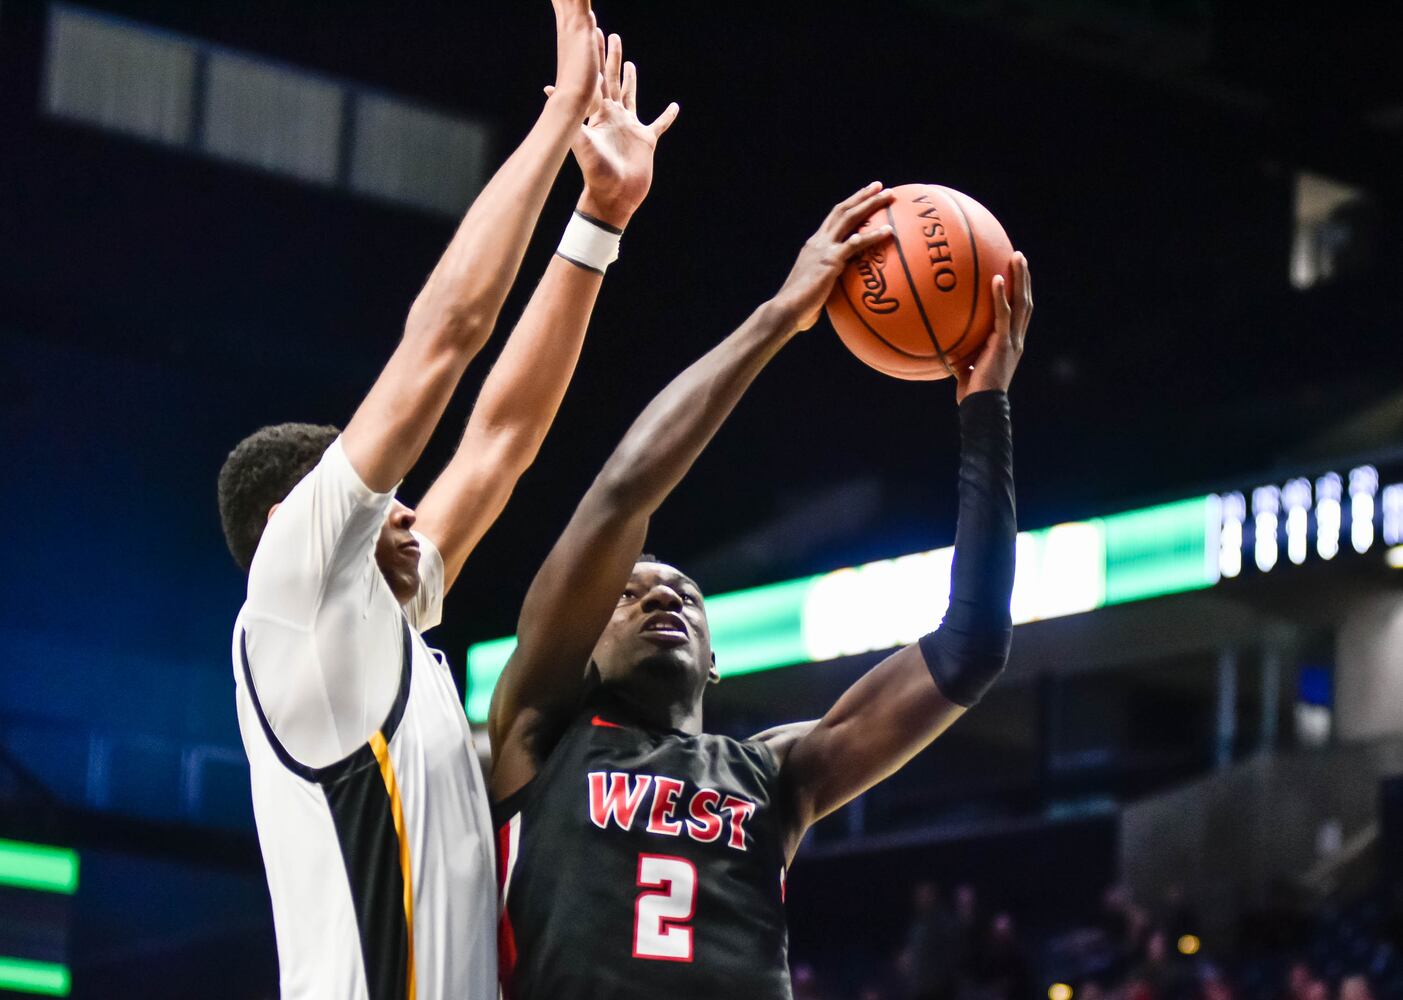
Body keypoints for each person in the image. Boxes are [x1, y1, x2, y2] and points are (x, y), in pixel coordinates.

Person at [214, 6, 679, 996]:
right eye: (378, 498)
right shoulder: (291, 599)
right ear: (298, 523)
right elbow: (447, 336)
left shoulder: (373, 623)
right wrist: (558, 119)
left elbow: (500, 441)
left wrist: (599, 221)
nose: (409, 509)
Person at [484, 183, 1034, 997]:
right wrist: (782, 314)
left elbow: (970, 648)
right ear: (579, 643)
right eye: (628, 594)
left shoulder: (776, 775)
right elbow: (623, 495)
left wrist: (984, 407)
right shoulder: (537, 736)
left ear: (714, 663)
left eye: (683, 594)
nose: (661, 596)